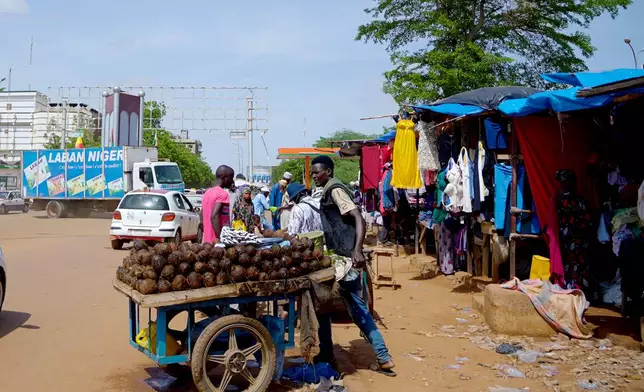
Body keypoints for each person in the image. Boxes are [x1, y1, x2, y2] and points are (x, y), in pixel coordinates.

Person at [310, 155, 395, 374]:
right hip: (340, 257)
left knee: (350, 308)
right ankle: (379, 356)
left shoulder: (335, 190)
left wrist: (356, 249)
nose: (314, 175)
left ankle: (380, 355)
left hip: (345, 260)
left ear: (328, 172)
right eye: (313, 172)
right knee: (341, 307)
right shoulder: (328, 190)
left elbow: (358, 217)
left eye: (317, 172)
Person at [202, 165, 234, 243]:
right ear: (223, 176)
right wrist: (220, 238)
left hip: (207, 242)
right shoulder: (223, 194)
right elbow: (214, 216)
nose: (232, 181)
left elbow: (201, 214)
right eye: (231, 177)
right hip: (217, 242)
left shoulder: (207, 192)